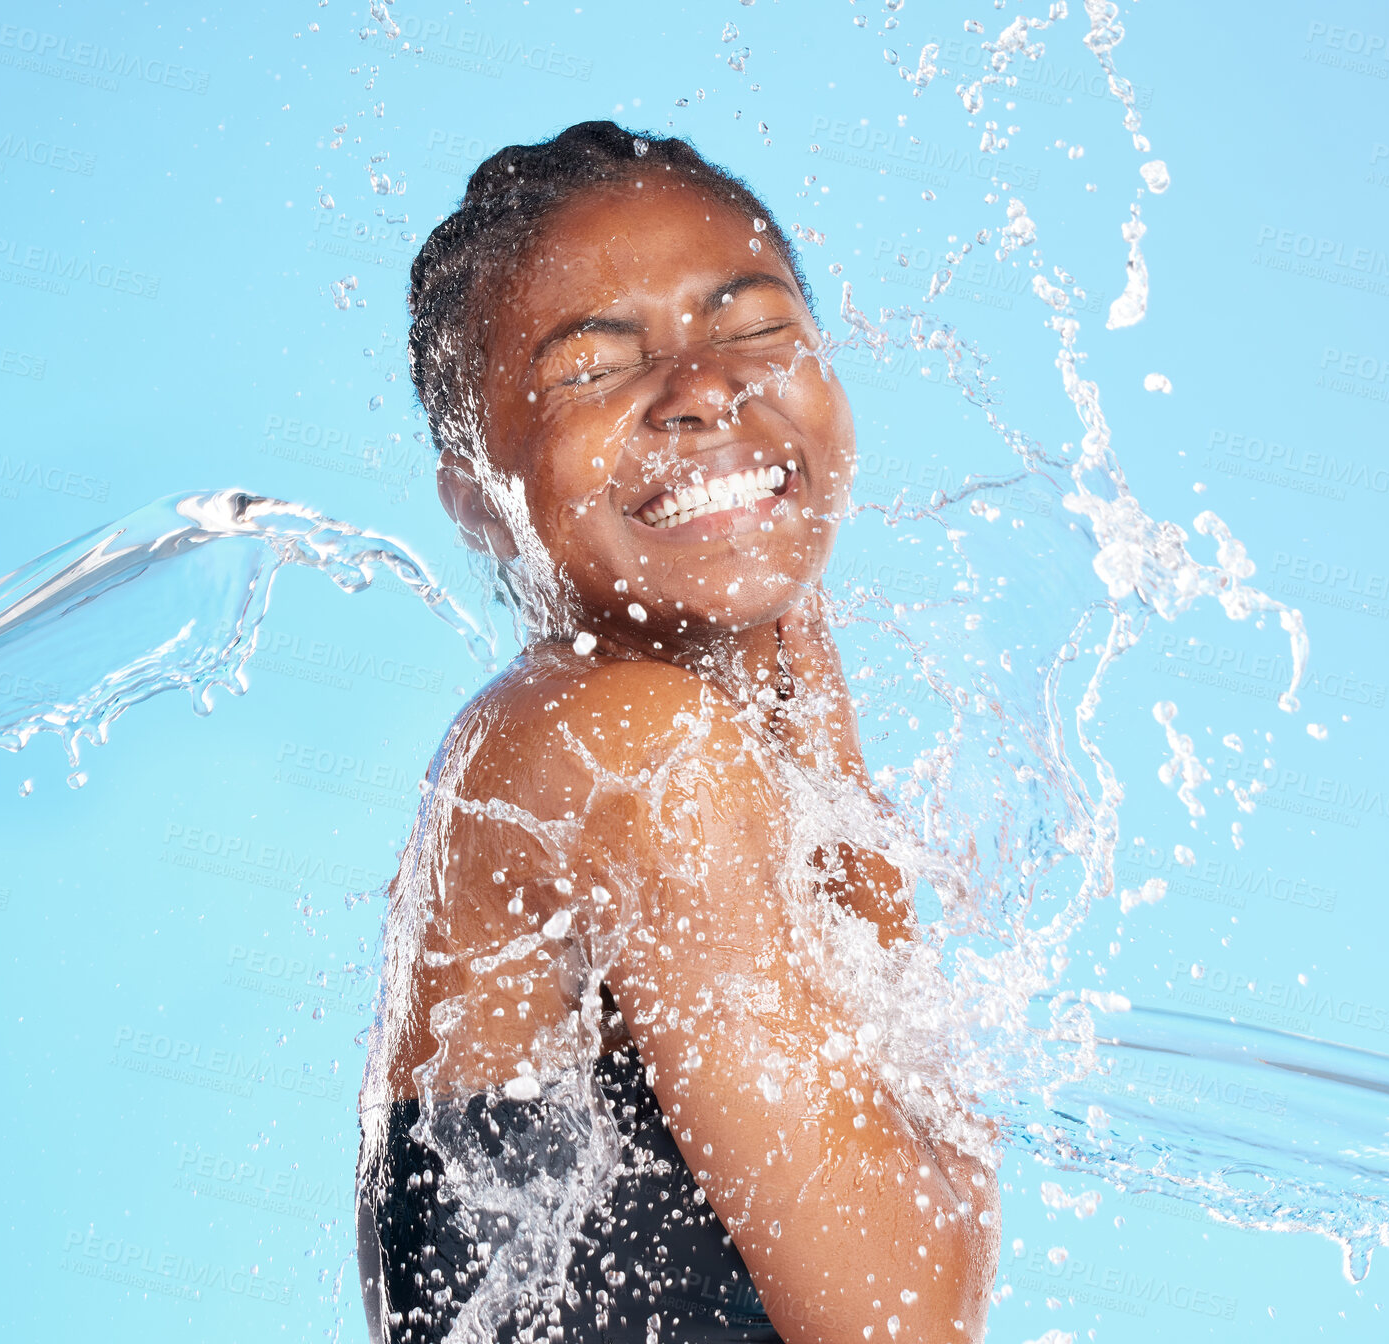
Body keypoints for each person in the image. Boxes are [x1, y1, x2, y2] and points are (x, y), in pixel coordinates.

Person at [354, 120, 999, 1344]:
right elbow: (905, 1313)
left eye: (757, 329)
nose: (704, 387)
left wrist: (811, 711)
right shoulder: (633, 747)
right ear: (475, 498)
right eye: (592, 367)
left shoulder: (575, 739)